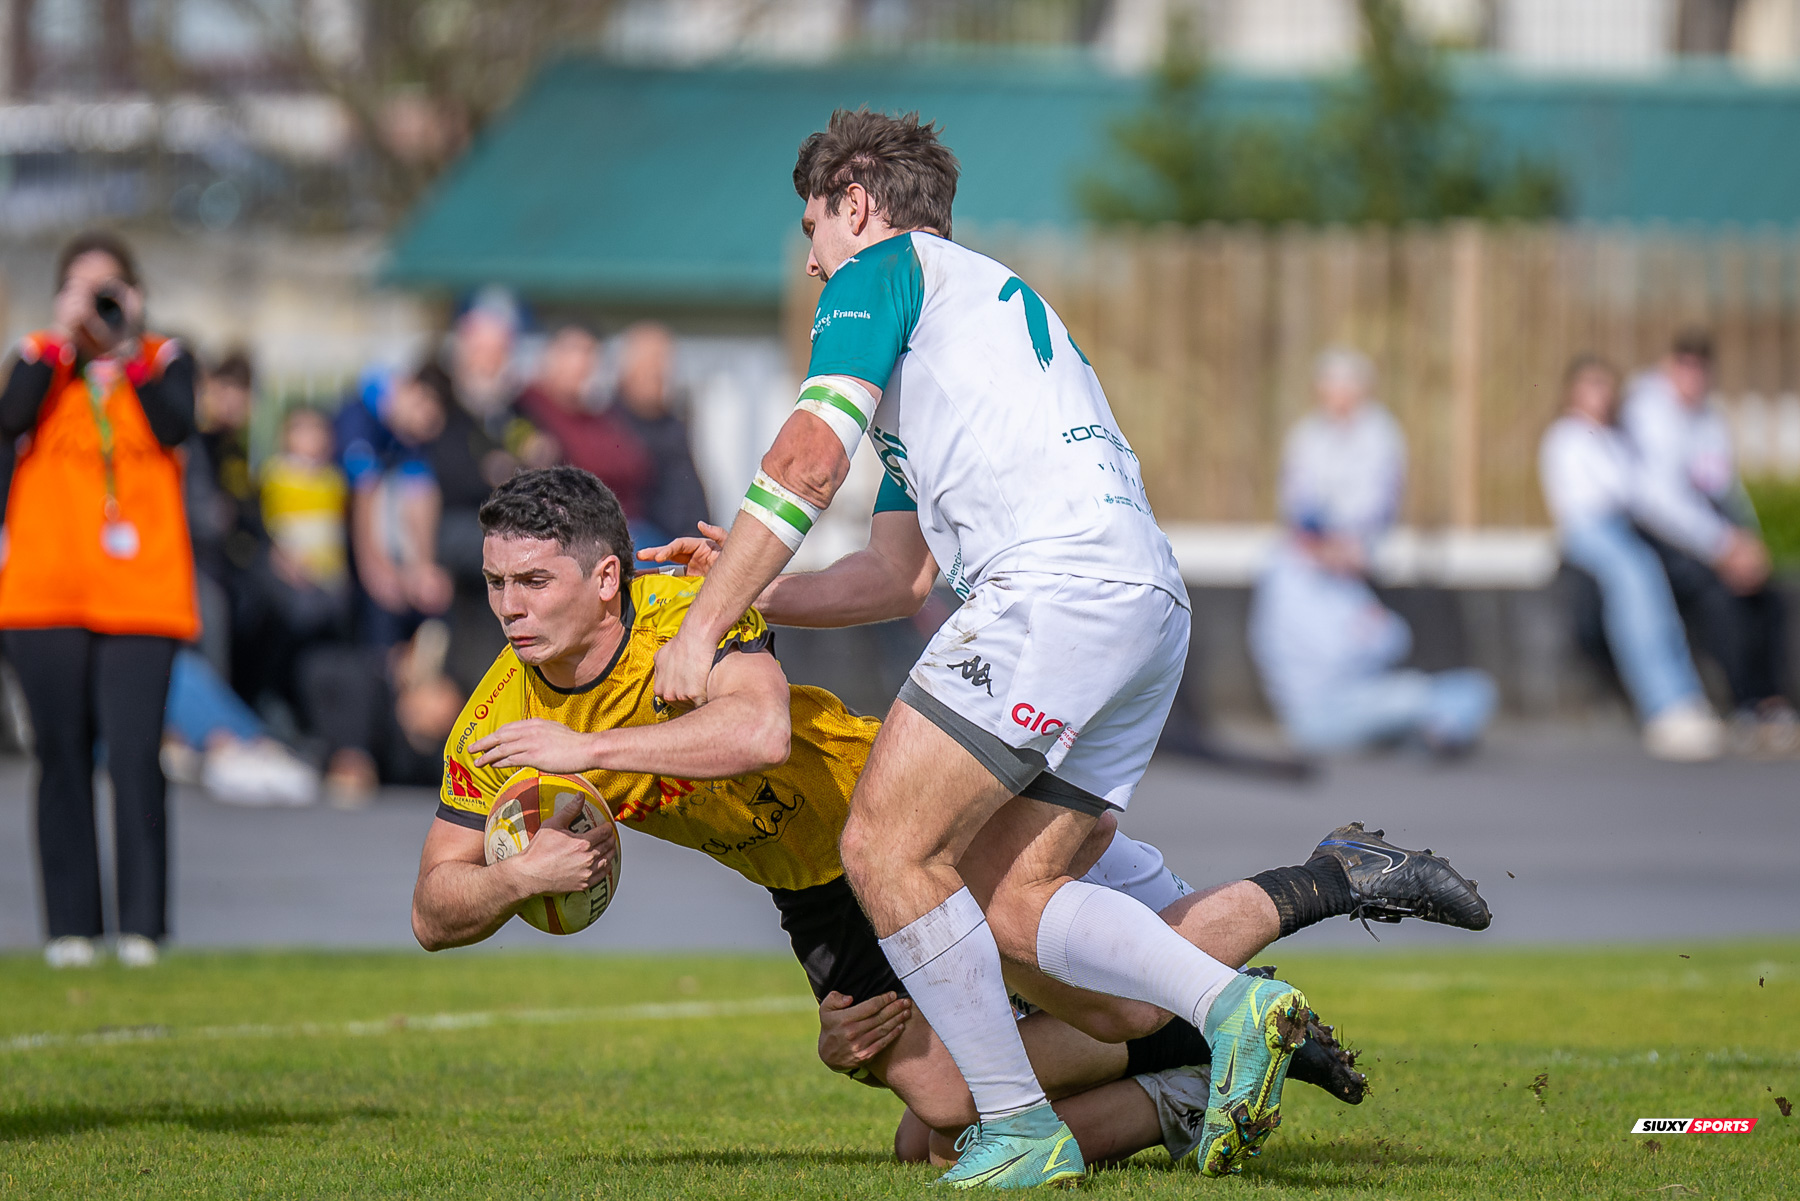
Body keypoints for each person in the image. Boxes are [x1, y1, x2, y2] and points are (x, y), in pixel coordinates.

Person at [411, 467, 1491, 1169]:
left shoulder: (679, 612)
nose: (507, 607)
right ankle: (1198, 1065)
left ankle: (1330, 880)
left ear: (605, 580)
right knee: (925, 1121)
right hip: (810, 888)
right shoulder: (497, 711)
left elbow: (757, 735)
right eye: (497, 581)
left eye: (534, 581)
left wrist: (586, 750)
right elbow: (430, 907)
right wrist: (515, 880)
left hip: (904, 817)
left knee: (1096, 992)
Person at [651, 111, 1317, 1183]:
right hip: (1141, 599)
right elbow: (898, 574)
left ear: (856, 203)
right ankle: (1235, 1009)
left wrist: (699, 628)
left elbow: (806, 459)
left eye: (811, 224)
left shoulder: (880, 274)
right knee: (1005, 892)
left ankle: (1017, 1124)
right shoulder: (966, 319)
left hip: (1053, 589)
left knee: (882, 844)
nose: (811, 256)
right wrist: (749, 590)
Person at [0, 230, 199, 969]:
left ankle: (144, 925)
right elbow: (11, 417)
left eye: (108, 288)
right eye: (85, 290)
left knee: (138, 757)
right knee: (60, 759)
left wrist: (130, 345)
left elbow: (179, 423)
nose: (97, 305)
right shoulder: (37, 360)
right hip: (45, 594)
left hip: (143, 595)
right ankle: (70, 927)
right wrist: (61, 338)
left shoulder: (163, 360)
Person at [1249, 349, 1497, 754]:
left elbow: (1377, 501)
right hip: (1323, 710)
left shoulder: (1380, 433)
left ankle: (1430, 731)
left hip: (1363, 572)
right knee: (1439, 694)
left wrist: (1350, 548)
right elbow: (1360, 648)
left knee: (1468, 691)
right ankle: (1433, 731)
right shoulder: (1288, 568)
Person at [1539, 354, 1725, 761]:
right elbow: (1600, 496)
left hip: (1620, 529)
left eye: (1605, 386)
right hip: (1590, 530)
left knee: (1654, 591)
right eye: (1591, 385)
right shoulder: (1566, 436)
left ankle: (1684, 697)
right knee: (1635, 584)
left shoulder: (1613, 438)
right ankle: (1663, 705)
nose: (1600, 395)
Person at [1620, 329, 1796, 754]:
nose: (1693, 380)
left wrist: (1748, 542)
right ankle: (1745, 705)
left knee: (1770, 597)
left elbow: (1724, 486)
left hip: (1710, 534)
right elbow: (1661, 502)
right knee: (1720, 598)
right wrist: (1722, 548)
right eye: (1686, 368)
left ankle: (1770, 701)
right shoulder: (1648, 411)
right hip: (1665, 535)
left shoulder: (1707, 417)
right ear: (1669, 367)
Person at [514, 324, 658, 544]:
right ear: (550, 356)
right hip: (576, 532)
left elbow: (635, 464)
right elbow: (577, 469)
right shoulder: (527, 407)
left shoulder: (600, 415)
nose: (582, 364)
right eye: (574, 352)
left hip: (628, 523)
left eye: (589, 353)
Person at [611, 322, 710, 547]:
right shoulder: (609, 426)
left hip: (689, 543)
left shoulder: (674, 425)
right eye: (650, 363)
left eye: (664, 362)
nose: (659, 371)